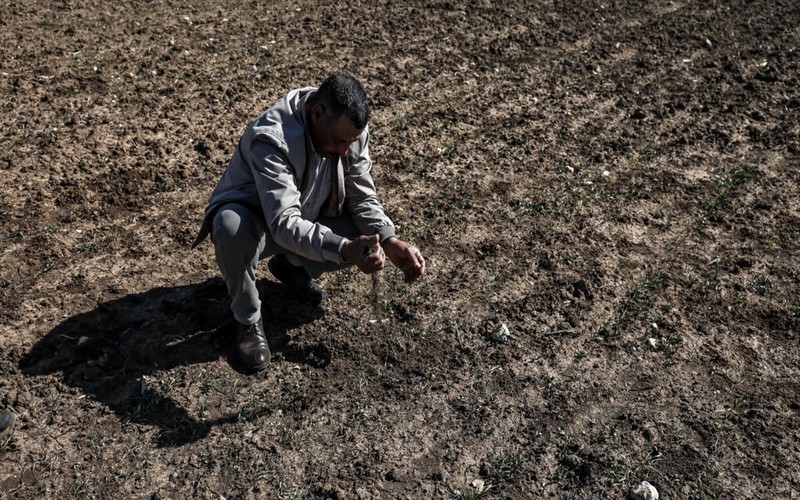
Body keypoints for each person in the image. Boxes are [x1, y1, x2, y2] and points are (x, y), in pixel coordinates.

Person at [193, 73, 426, 372]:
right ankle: (248, 321)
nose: (345, 150)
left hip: (305, 212)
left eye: (351, 142)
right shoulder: (272, 139)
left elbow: (362, 197)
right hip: (260, 221)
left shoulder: (349, 132)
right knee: (230, 226)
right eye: (341, 141)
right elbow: (284, 223)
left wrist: (390, 241)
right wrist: (343, 249)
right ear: (317, 114)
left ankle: (292, 266)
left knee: (369, 236)